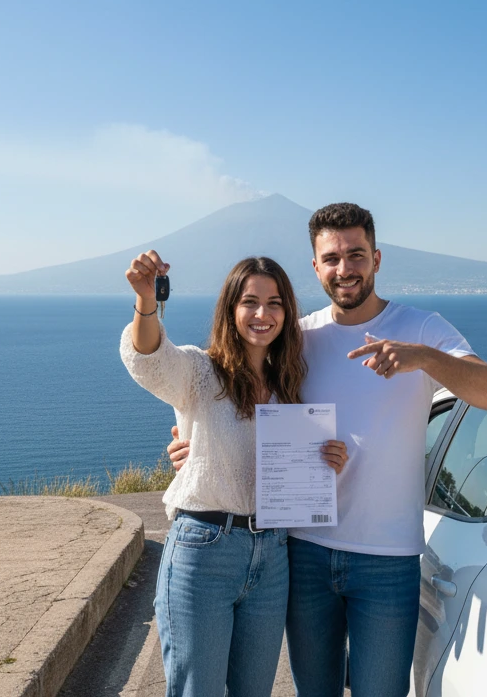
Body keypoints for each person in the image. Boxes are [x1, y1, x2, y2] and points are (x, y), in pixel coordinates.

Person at [168, 203, 487, 697]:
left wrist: (422, 358)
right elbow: (227, 386)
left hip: (387, 558)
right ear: (315, 267)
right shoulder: (298, 337)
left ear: (376, 257)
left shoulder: (421, 328)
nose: (344, 269)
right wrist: (191, 441)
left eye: (355, 255)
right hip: (304, 549)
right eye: (331, 258)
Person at [120, 250, 348, 697]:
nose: (263, 314)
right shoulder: (201, 372)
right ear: (230, 308)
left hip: (272, 555)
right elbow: (149, 359)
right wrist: (146, 302)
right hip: (205, 551)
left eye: (275, 303)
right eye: (250, 301)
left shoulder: (291, 387)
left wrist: (327, 462)